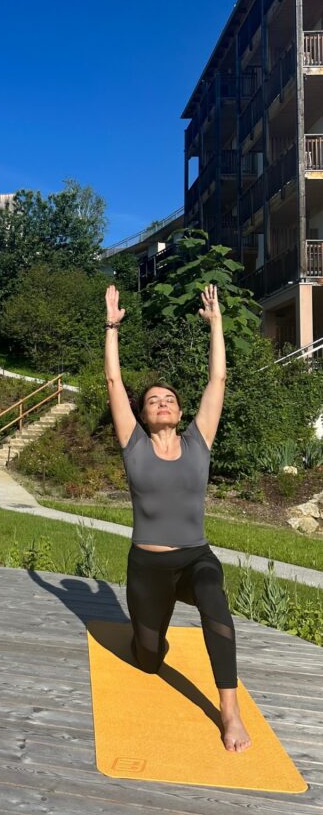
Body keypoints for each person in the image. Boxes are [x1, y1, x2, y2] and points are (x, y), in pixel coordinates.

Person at [104, 283, 251, 752]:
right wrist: (111, 328)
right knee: (148, 659)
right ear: (143, 415)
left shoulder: (197, 441)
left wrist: (216, 325)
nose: (162, 402)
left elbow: (218, 382)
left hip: (195, 558)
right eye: (153, 401)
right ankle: (151, 639)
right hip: (147, 568)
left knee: (215, 600)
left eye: (169, 398)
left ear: (181, 411)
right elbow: (113, 382)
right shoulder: (134, 445)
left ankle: (229, 713)